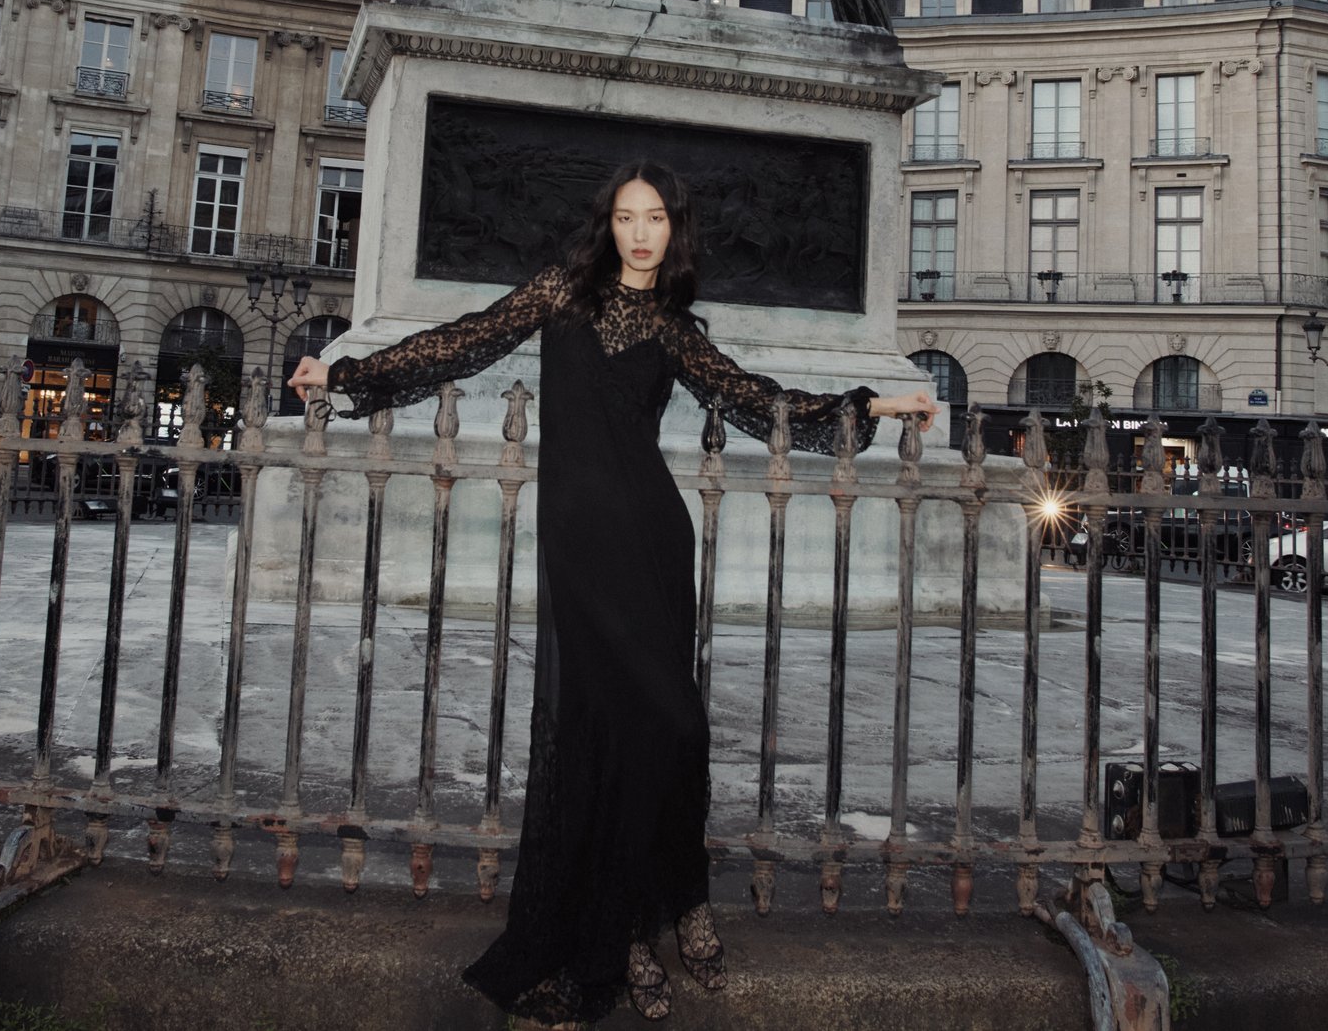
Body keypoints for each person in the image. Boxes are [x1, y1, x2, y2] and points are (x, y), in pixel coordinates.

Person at [290, 161, 934, 1027]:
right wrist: (341, 374)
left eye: (655, 218)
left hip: (654, 538)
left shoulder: (674, 328)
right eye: (627, 217)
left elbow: (757, 400)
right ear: (608, 224)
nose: (640, 233)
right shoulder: (560, 294)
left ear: (675, 229)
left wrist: (877, 406)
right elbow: (464, 340)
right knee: (615, 732)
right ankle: (628, 929)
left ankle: (664, 908)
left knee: (673, 729)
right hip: (581, 544)